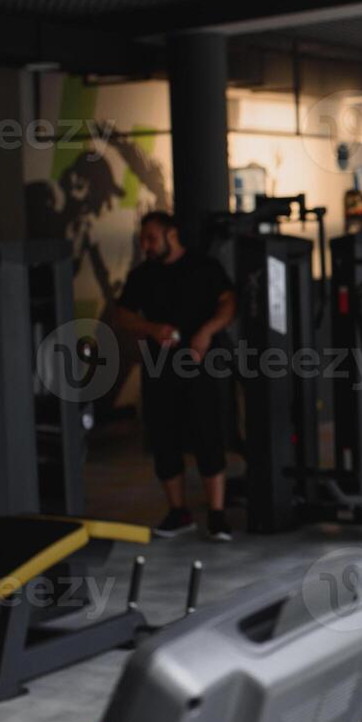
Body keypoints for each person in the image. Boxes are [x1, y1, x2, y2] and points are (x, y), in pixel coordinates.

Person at [115, 211, 238, 541]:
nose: (146, 245)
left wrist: (207, 332)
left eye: (151, 238)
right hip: (159, 368)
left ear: (172, 235)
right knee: (163, 438)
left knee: (207, 435)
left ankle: (216, 515)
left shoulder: (204, 267)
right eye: (143, 239)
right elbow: (123, 314)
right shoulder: (143, 275)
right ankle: (178, 512)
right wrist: (151, 328)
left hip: (201, 365)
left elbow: (228, 303)